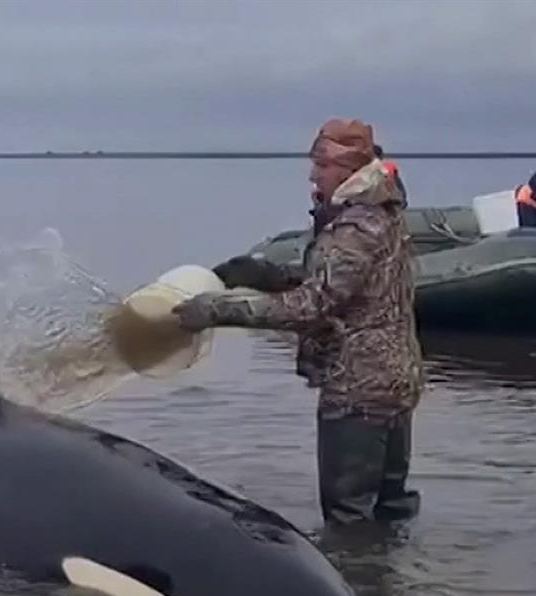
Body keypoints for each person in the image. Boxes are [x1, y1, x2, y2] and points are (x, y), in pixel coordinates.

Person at [171, 118, 424, 527]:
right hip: (393, 380)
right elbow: (350, 289)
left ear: (346, 168)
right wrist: (269, 276)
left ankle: (358, 587)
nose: (312, 173)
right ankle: (392, 585)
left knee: (348, 519)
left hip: (358, 389)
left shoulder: (354, 228)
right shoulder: (382, 212)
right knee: (391, 508)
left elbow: (312, 306)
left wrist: (219, 310)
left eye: (321, 165)